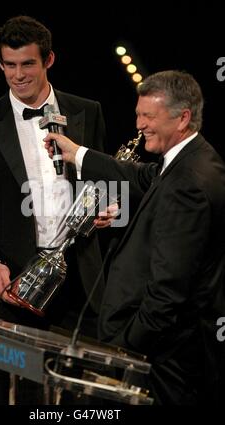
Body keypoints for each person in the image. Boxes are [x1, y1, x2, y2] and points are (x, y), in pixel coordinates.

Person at [0, 15, 113, 404]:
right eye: (9, 65)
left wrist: (109, 211)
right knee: (15, 397)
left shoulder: (88, 111)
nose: (18, 75)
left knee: (77, 401)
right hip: (13, 291)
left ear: (49, 61)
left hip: (79, 285)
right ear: (0, 64)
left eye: (27, 64)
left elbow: (105, 188)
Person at [44, 70, 225, 405]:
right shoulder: (191, 160)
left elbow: (167, 295)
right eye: (138, 114)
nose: (139, 125)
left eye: (148, 116)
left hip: (165, 360)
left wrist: (120, 350)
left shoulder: (189, 182)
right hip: (166, 352)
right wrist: (77, 153)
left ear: (182, 117)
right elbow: (144, 175)